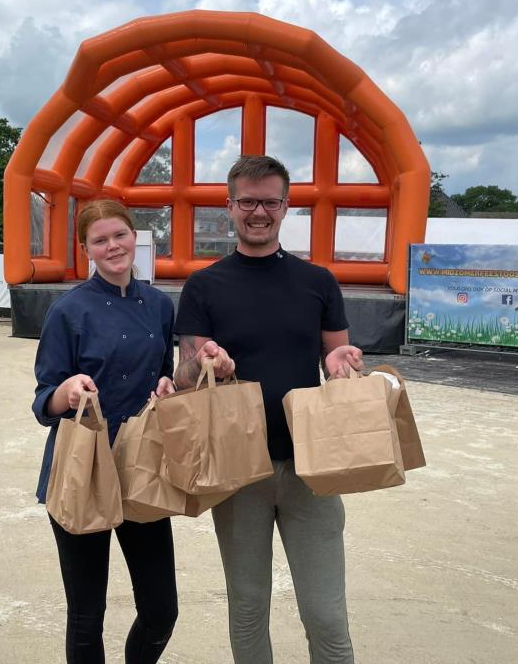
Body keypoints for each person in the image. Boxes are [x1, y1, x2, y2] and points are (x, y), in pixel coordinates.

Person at [173, 155, 363, 663]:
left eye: (270, 202)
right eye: (248, 202)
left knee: (326, 613)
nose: (259, 212)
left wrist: (341, 363)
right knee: (248, 606)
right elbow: (185, 376)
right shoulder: (204, 286)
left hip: (310, 467)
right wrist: (206, 363)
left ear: (286, 206)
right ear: (229, 206)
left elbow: (338, 364)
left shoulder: (318, 281)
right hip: (238, 470)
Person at [32, 199, 178, 664]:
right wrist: (68, 391)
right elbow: (43, 402)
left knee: (161, 610)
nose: (113, 246)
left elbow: (164, 371)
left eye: (120, 235)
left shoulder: (160, 305)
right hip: (83, 469)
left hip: (142, 467)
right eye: (100, 240)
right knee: (86, 614)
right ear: (85, 250)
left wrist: (167, 385)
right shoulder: (68, 310)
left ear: (135, 237)